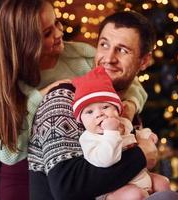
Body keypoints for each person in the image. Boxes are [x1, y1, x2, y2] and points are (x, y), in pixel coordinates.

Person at [28, 10, 178, 200]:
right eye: (104, 45)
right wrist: (140, 156)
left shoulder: (123, 106)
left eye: (122, 50)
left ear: (144, 61)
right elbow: (66, 188)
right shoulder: (65, 99)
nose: (109, 58)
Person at [0, 0, 148, 200]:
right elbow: (7, 153)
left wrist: (130, 107)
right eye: (47, 33)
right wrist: (40, 97)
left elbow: (131, 84)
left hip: (81, 165)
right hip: (25, 174)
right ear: (24, 41)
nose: (59, 33)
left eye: (57, 23)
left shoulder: (80, 57)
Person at [72, 66, 171, 199]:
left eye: (105, 107)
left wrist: (147, 136)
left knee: (163, 183)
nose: (99, 114)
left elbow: (135, 135)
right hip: (116, 188)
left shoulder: (124, 123)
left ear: (117, 110)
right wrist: (111, 132)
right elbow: (106, 160)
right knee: (136, 194)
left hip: (140, 176)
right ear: (81, 121)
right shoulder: (89, 139)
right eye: (89, 112)